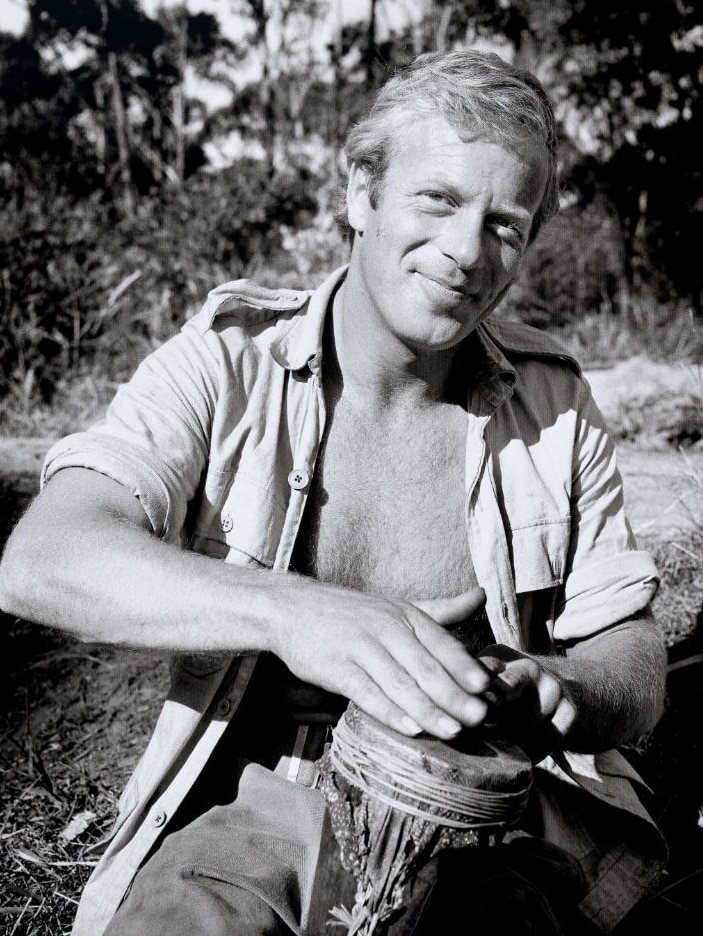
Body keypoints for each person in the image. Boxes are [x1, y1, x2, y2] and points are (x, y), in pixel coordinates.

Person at [0, 50, 667, 936]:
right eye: (437, 200)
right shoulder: (230, 359)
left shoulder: (552, 400)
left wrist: (565, 686)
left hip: (492, 816)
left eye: (505, 225)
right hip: (254, 805)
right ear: (360, 193)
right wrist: (294, 613)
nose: (467, 252)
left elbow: (633, 650)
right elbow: (45, 557)